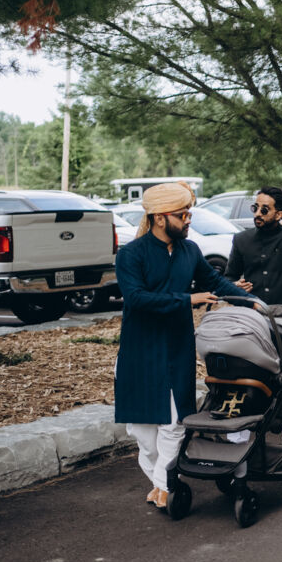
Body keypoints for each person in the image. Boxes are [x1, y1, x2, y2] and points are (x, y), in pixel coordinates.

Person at [114, 182, 252, 508]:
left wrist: (254, 302)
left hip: (177, 347)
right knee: (142, 430)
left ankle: (166, 486)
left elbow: (214, 282)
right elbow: (136, 298)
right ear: (160, 218)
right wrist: (187, 299)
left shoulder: (190, 250)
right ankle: (160, 479)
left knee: (176, 422)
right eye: (182, 214)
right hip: (140, 350)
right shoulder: (131, 255)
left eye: (189, 213)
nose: (189, 219)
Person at [225, 186, 282, 460]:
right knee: (248, 376)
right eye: (255, 207)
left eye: (265, 209)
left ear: (278, 212)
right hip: (254, 318)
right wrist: (236, 286)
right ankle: (238, 442)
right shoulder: (242, 239)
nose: (258, 213)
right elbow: (229, 277)